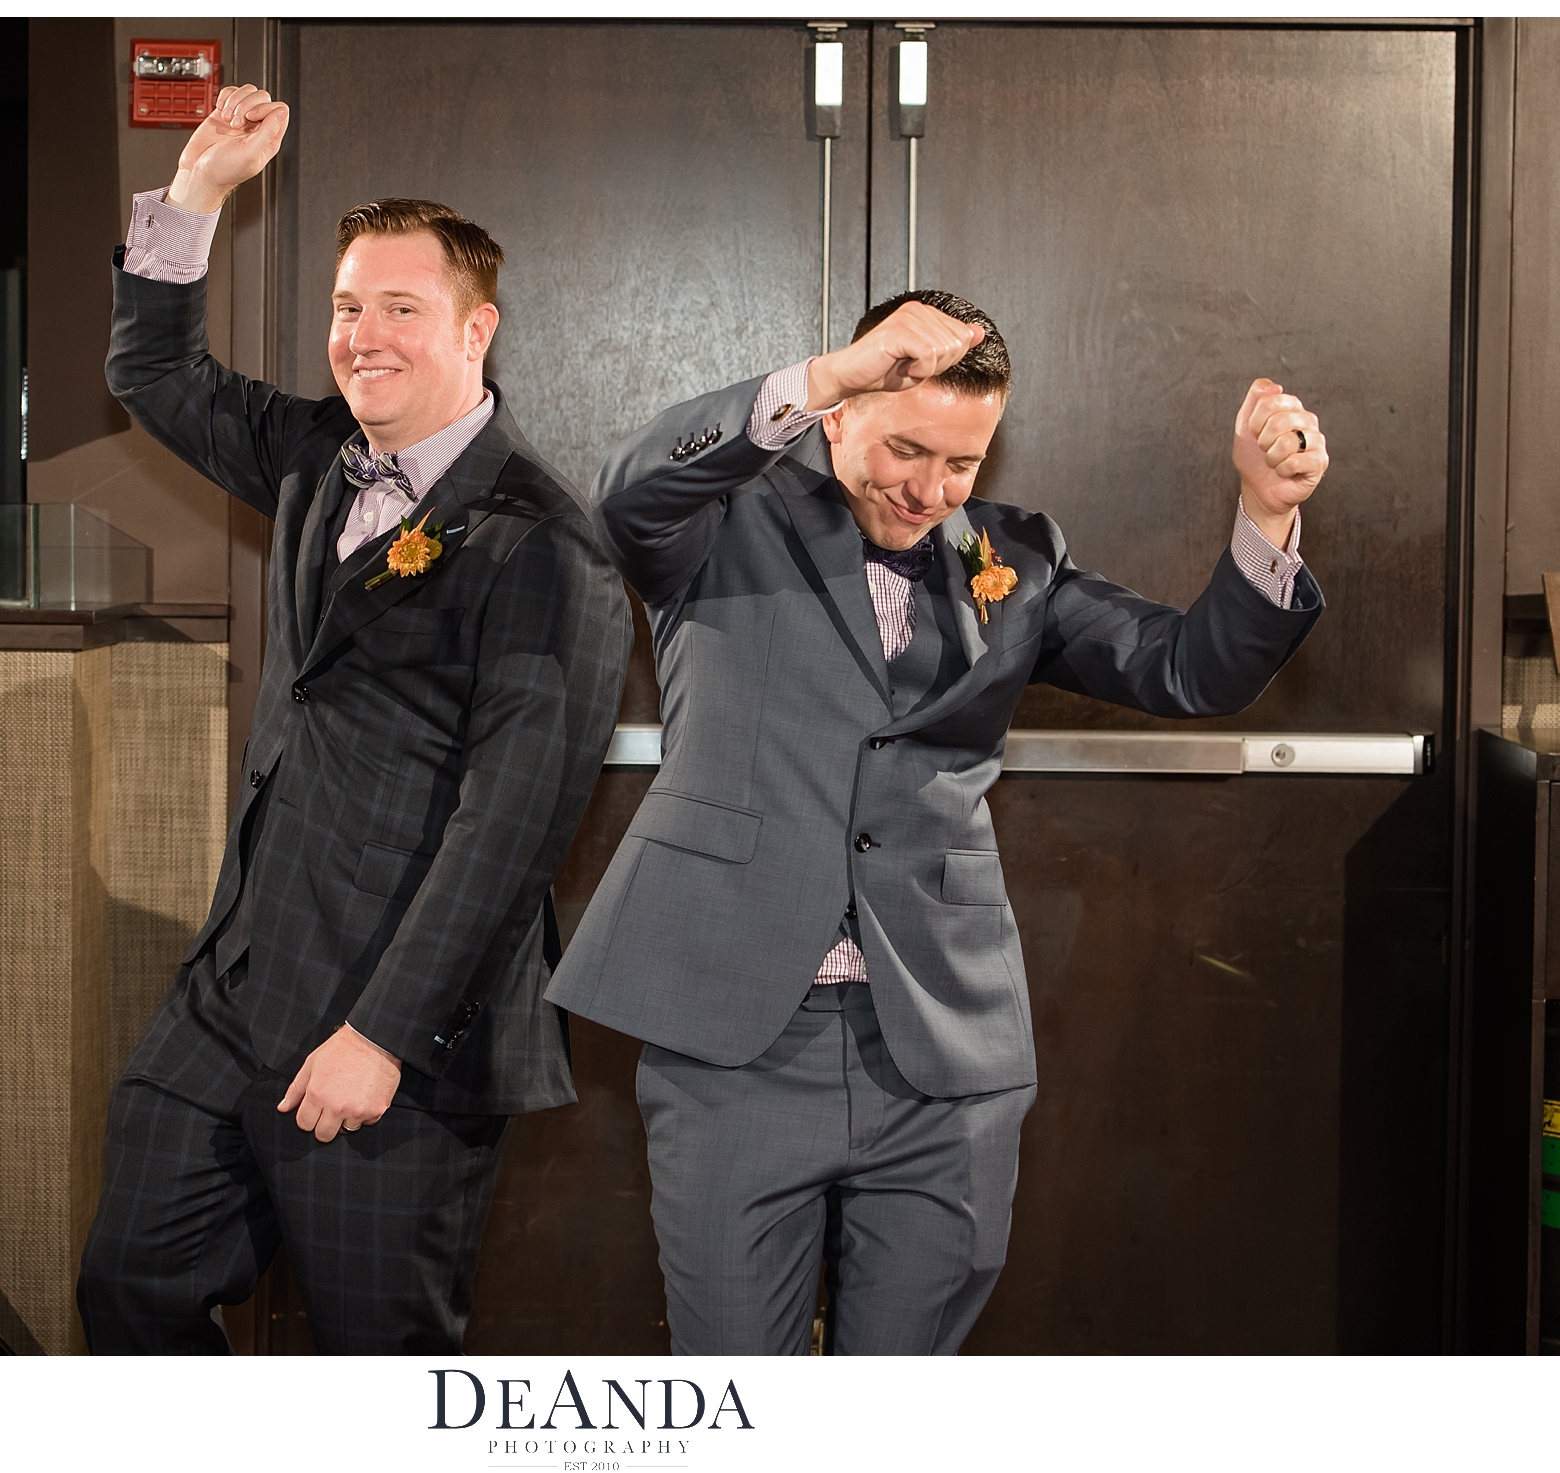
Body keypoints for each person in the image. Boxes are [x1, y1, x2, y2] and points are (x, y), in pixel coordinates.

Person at [548, 291, 1327, 1355]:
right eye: (905, 450)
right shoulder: (722, 523)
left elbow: (1192, 671)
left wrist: (1267, 511)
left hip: (945, 1058)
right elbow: (628, 493)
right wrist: (822, 369)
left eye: (961, 465)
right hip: (736, 1046)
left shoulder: (1021, 560)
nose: (928, 491)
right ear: (840, 413)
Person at [75, 85, 632, 1354]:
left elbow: (513, 827)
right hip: (231, 989)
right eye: (344, 306)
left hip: (392, 1028)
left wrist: (379, 1035)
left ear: (476, 327)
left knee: (377, 1357)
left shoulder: (548, 547)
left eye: (399, 308)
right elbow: (150, 370)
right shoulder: (314, 456)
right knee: (129, 1287)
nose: (361, 335)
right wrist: (198, 197)